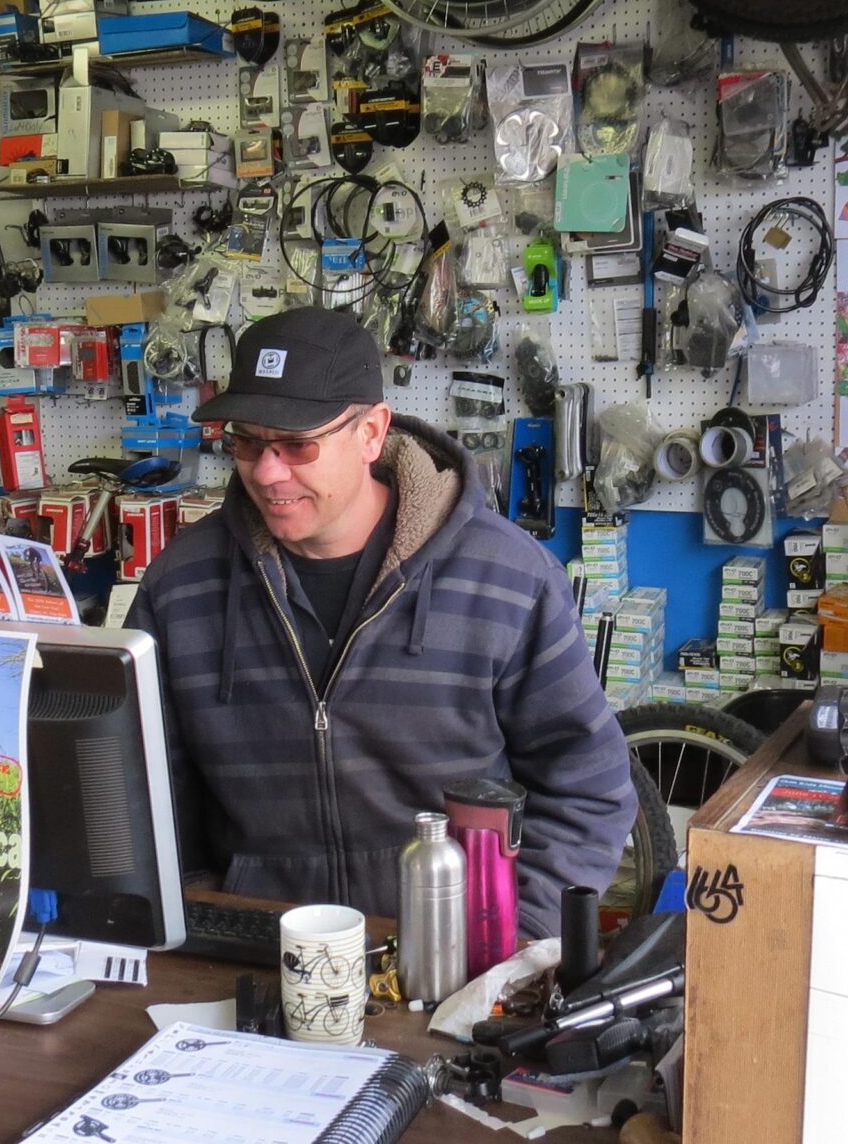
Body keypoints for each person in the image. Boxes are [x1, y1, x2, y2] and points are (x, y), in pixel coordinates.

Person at [128, 307, 637, 937]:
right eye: (247, 442)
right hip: (254, 961)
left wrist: (512, 936)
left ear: (371, 433)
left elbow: (589, 788)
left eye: (297, 444)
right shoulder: (182, 586)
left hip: (451, 965)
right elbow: (147, 794)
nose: (267, 472)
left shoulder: (507, 579)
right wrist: (206, 915)